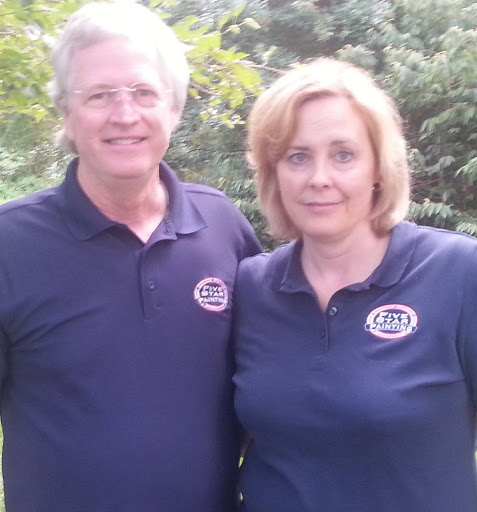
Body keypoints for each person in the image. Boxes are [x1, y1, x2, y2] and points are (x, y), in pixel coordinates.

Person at [0, 2, 261, 511]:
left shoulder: (223, 227)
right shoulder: (10, 244)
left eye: (144, 92)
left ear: (174, 108)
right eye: (99, 95)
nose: (124, 114)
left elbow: (266, 383)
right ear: (66, 114)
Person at [233, 57, 477, 512]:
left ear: (378, 168)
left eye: (343, 155)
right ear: (273, 172)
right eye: (297, 156)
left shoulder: (458, 272)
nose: (319, 179)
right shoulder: (251, 286)